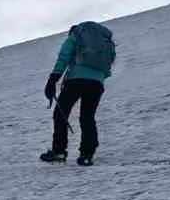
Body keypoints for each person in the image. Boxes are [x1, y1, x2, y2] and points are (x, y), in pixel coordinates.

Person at [41, 21, 115, 166]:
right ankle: (87, 155)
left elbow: (64, 56)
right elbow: (109, 61)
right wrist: (99, 78)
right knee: (87, 117)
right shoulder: (105, 40)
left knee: (61, 114)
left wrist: (53, 79)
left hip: (76, 80)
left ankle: (59, 151)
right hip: (97, 83)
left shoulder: (75, 36)